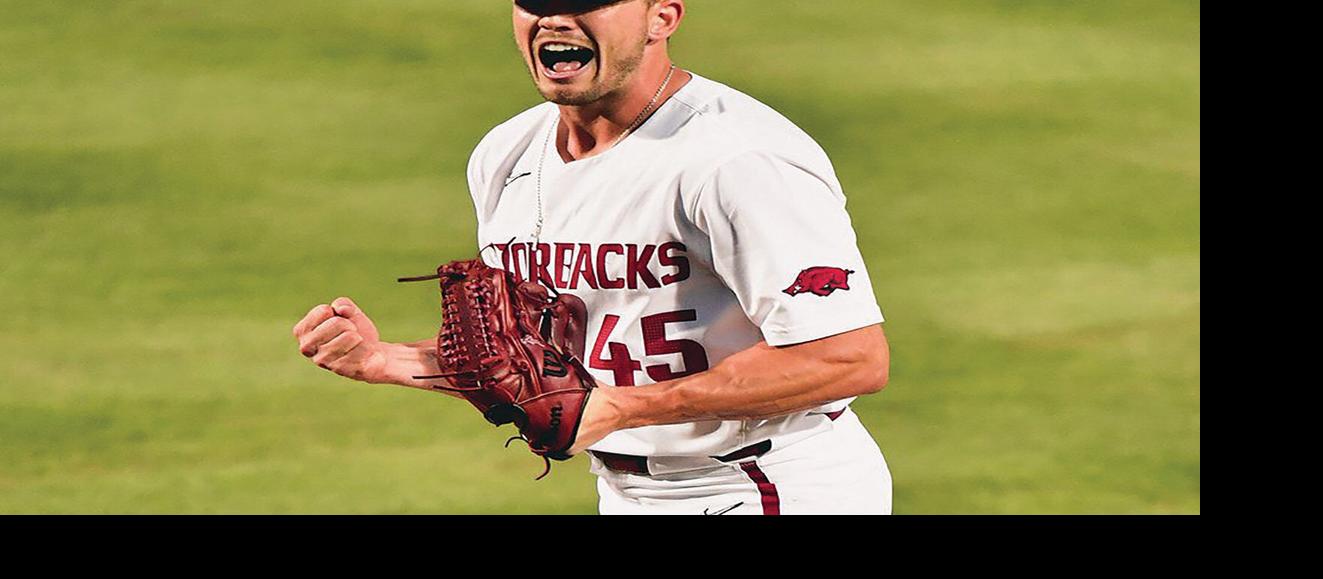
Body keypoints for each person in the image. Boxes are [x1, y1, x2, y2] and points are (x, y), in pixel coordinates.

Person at [292, 0, 891, 515]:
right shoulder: (505, 154)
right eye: (537, 3)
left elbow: (848, 357)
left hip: (770, 484)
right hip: (626, 492)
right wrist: (391, 360)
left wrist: (626, 408)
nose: (556, 18)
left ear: (662, 16)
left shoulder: (737, 159)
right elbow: (532, 368)